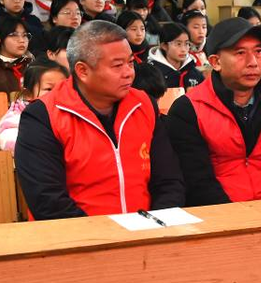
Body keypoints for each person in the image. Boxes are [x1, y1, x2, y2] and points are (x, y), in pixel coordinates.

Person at [14, 20, 185, 219]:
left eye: (130, 62)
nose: (129, 72)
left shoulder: (144, 104)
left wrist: (155, 226)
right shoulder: (43, 116)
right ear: (82, 71)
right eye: (118, 65)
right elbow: (47, 200)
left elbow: (169, 180)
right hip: (78, 239)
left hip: (146, 232)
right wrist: (105, 237)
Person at [166, 17, 261, 207]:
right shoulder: (189, 109)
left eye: (258, 51)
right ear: (215, 62)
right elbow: (197, 182)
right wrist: (237, 220)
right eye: (240, 53)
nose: (253, 62)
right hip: (218, 217)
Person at [0, 62, 68, 152]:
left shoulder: (70, 113)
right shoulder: (16, 118)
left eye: (62, 88)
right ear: (28, 94)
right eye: (49, 89)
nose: (57, 93)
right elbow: (10, 140)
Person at [149, 22, 204, 90]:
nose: (183, 49)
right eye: (178, 44)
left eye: (186, 43)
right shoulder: (152, 73)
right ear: (164, 46)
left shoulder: (193, 72)